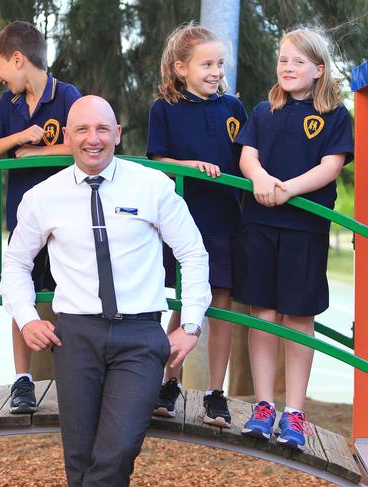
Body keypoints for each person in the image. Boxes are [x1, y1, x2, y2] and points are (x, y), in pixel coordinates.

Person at [1, 95, 211, 486]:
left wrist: (192, 324)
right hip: (76, 336)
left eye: (102, 129)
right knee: (79, 457)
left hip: (141, 336)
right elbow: (15, 264)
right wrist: (27, 318)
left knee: (118, 449)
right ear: (67, 136)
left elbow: (193, 255)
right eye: (81, 129)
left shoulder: (152, 186)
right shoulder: (43, 196)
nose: (92, 139)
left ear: (117, 134)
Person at [234, 28, 353, 450]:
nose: (287, 67)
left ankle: (295, 411)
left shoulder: (336, 115)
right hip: (260, 225)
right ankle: (264, 406)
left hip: (304, 229)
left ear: (318, 70)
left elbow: (330, 166)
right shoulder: (263, 111)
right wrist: (263, 179)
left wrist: (288, 189)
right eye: (283, 59)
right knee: (262, 313)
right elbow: (247, 155)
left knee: (299, 316)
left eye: (298, 61)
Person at [0, 20, 81, 414]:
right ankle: (22, 380)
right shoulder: (10, 105)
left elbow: (81, 145)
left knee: (69, 298)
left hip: (67, 221)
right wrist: (18, 138)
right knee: (21, 294)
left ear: (19, 59)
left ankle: (73, 375)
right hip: (23, 222)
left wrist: (35, 154)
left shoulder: (67, 95)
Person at [147, 23, 247, 426]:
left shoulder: (233, 110)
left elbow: (248, 159)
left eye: (220, 63)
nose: (215, 71)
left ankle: (215, 393)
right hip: (180, 224)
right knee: (180, 304)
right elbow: (156, 161)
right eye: (206, 63)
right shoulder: (164, 109)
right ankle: (168, 384)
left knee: (220, 307)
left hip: (224, 222)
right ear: (180, 67)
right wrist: (187, 167)